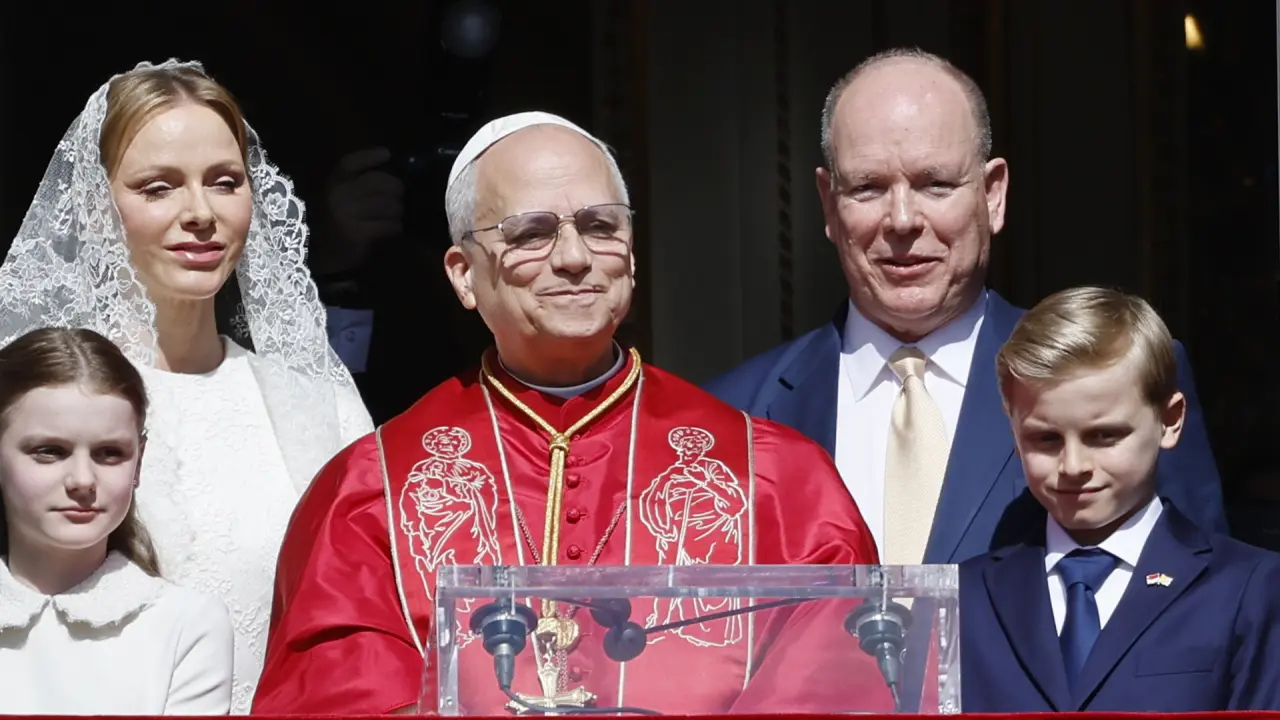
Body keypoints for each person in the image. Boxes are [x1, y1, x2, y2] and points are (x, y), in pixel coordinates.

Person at [252, 112, 885, 715]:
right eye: (531, 234)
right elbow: (334, 695)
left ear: (630, 254)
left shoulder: (775, 480)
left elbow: (836, 683)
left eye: (600, 226)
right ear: (463, 275)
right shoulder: (373, 491)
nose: (575, 257)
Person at [704, 47, 1226, 565]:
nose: (902, 220)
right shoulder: (730, 415)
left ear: (993, 195)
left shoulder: (1122, 376)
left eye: (935, 185)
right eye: (868, 188)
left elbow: (1199, 594)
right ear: (827, 204)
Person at [0, 60, 374, 713]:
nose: (200, 213)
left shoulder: (318, 405)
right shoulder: (30, 402)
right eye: (158, 188)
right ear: (95, 205)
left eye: (225, 182)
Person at [960, 286, 1280, 712]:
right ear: (1014, 433)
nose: (1074, 465)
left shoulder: (1249, 588)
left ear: (1170, 420)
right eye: (1046, 439)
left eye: (1104, 435)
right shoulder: (965, 598)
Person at [0, 328, 233, 715]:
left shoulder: (184, 625)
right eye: (49, 451)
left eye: (109, 453)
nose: (82, 480)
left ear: (139, 461)